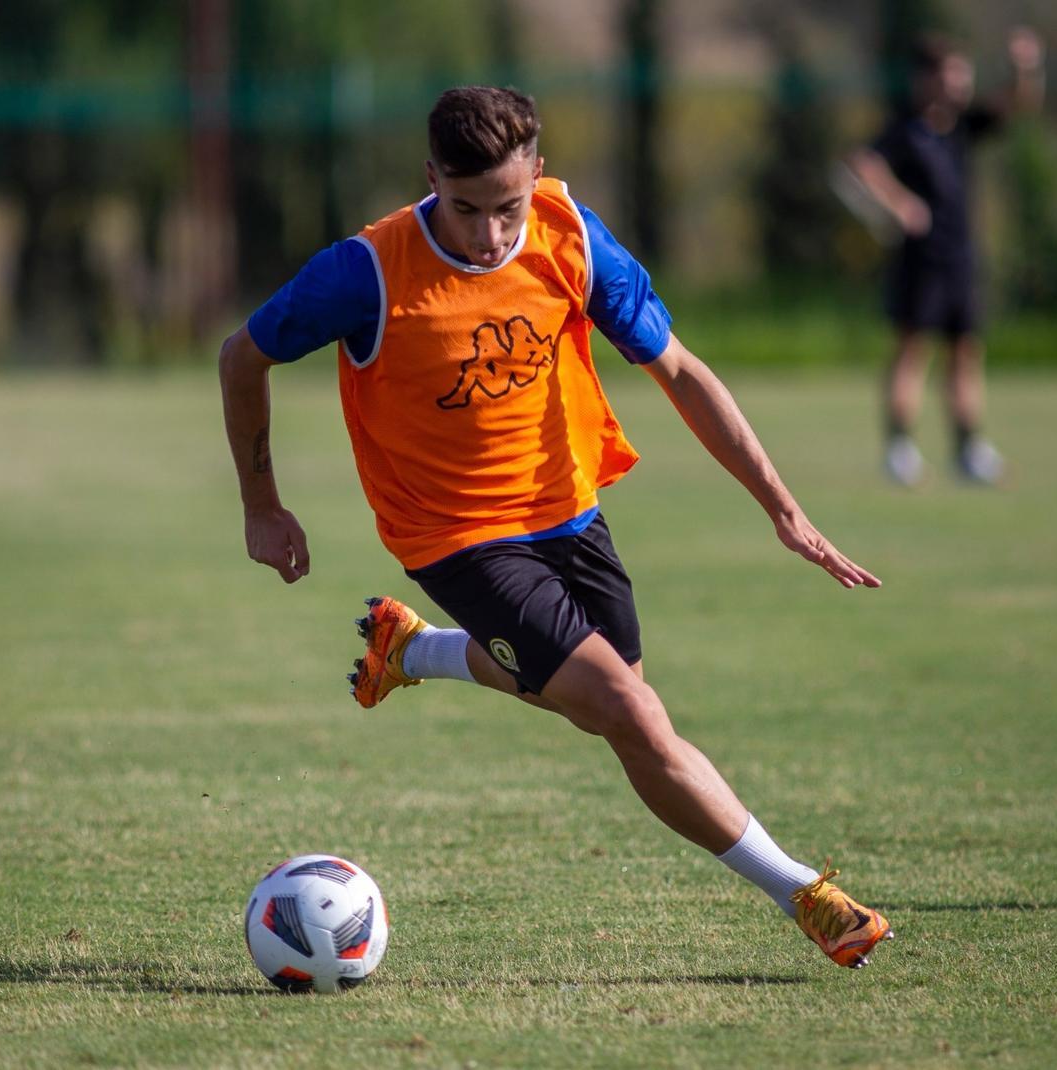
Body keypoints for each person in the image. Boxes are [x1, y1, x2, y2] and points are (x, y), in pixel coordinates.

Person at [220, 86, 892, 969]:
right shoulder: (366, 272)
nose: (491, 235)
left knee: (609, 709)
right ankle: (805, 893)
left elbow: (679, 369)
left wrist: (783, 508)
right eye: (465, 211)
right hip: (455, 536)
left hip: (570, 511)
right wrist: (262, 504)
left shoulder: (568, 234)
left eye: (507, 208)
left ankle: (412, 652)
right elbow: (245, 354)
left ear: (535, 174)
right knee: (633, 715)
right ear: (431, 180)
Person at [847, 28, 1045, 486]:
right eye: (951, 76)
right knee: (912, 352)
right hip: (921, 260)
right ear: (927, 79)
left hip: (961, 259)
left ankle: (969, 449)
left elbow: (1017, 103)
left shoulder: (960, 127)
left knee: (965, 352)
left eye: (963, 76)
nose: (959, 85)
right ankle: (899, 449)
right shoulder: (905, 128)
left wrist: (1024, 68)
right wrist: (899, 204)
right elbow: (863, 163)